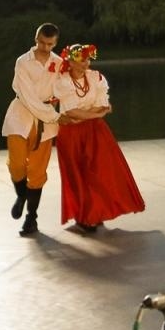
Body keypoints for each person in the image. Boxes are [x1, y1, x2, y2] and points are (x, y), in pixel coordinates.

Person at [51, 44, 145, 233]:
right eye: (81, 60)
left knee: (101, 172)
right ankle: (84, 216)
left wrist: (90, 114)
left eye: (87, 60)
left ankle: (97, 211)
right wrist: (94, 114)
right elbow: (72, 111)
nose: (85, 63)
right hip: (71, 133)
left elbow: (103, 105)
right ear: (70, 61)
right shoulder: (62, 81)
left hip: (96, 131)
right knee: (78, 174)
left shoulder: (95, 77)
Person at [3, 23, 64, 237]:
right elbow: (27, 95)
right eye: (41, 42)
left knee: (37, 171)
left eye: (50, 44)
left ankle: (31, 217)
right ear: (36, 38)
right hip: (21, 114)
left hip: (46, 122)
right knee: (17, 164)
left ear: (55, 42)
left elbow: (65, 89)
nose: (45, 47)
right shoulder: (23, 62)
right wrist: (54, 116)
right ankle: (21, 194)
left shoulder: (59, 63)